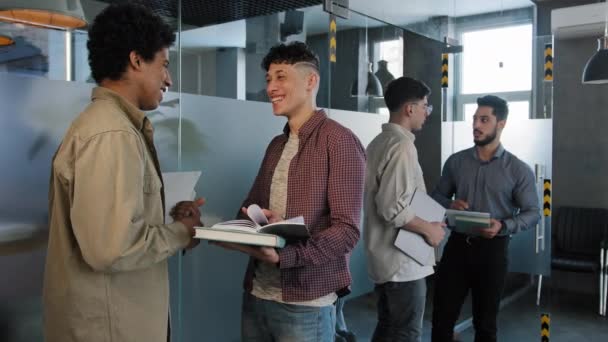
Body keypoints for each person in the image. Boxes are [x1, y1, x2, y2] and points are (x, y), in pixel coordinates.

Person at [42, 4, 203, 342]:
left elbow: (113, 226)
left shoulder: (109, 127)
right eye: (164, 65)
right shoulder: (112, 134)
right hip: (111, 328)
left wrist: (169, 216)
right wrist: (180, 233)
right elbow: (111, 249)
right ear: (136, 60)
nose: (169, 79)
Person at [214, 41, 364, 341]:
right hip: (258, 294)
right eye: (269, 79)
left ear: (311, 81)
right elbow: (247, 208)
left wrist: (286, 256)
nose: (271, 87)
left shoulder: (339, 142)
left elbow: (347, 231)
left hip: (305, 304)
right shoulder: (276, 145)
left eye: (281, 76)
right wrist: (253, 222)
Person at [430, 95, 540, 342]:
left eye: (484, 120)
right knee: (441, 318)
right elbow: (436, 196)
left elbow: (533, 213)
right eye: (474, 119)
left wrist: (504, 225)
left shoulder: (518, 170)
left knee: (486, 323)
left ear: (501, 124)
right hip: (457, 248)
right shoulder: (456, 161)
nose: (476, 125)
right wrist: (450, 204)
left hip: (493, 251)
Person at [363, 76, 446, 342]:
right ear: (410, 108)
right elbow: (391, 207)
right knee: (406, 333)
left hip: (385, 258)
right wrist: (429, 229)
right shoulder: (402, 146)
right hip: (402, 260)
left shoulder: (378, 143)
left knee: (388, 328)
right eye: (425, 106)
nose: (426, 112)